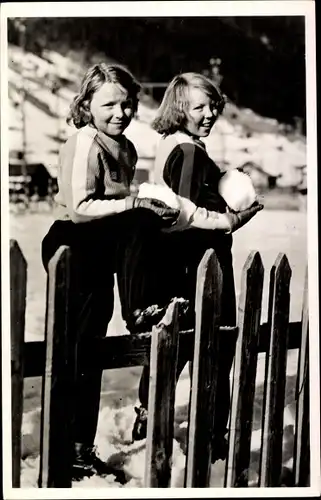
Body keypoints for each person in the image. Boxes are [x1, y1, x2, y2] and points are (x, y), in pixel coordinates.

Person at [41, 62, 180, 481]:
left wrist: (144, 202)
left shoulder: (126, 147)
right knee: (75, 351)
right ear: (86, 105)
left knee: (91, 355)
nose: (122, 113)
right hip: (75, 244)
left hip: (103, 246)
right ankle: (139, 309)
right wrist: (134, 207)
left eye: (129, 104)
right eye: (110, 104)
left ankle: (82, 450)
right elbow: (82, 208)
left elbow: (121, 202)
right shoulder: (84, 141)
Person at [132, 72, 263, 463]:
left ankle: (147, 417)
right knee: (215, 346)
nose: (210, 114)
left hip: (177, 264)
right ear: (178, 108)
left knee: (174, 348)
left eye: (213, 106)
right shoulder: (188, 151)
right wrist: (231, 219)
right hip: (198, 264)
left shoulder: (175, 144)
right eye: (199, 107)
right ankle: (213, 436)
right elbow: (184, 212)